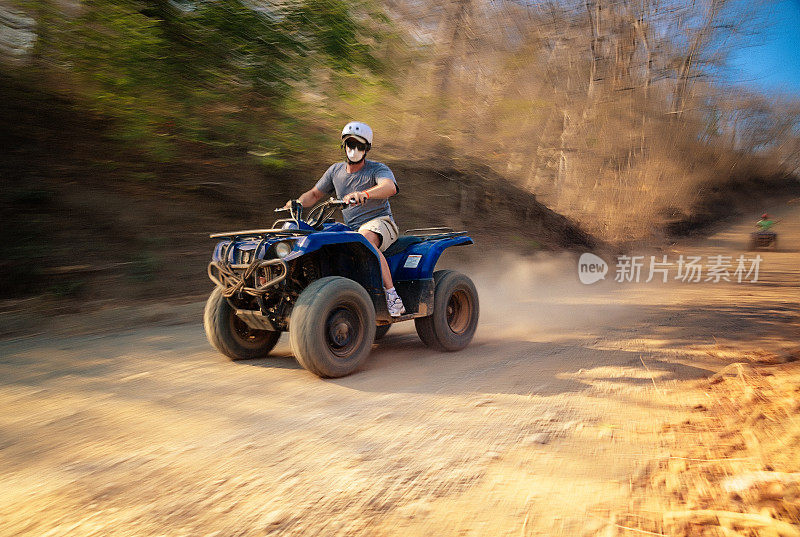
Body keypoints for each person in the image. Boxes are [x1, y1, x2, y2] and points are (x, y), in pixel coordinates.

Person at [287, 121, 406, 316]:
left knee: (365, 240)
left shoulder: (377, 169)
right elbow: (315, 195)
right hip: (352, 227)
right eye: (351, 144)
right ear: (344, 146)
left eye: (360, 146)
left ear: (367, 149)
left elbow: (389, 187)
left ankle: (392, 296)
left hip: (380, 222)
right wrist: (296, 203)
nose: (354, 149)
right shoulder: (335, 171)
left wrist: (365, 194)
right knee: (316, 238)